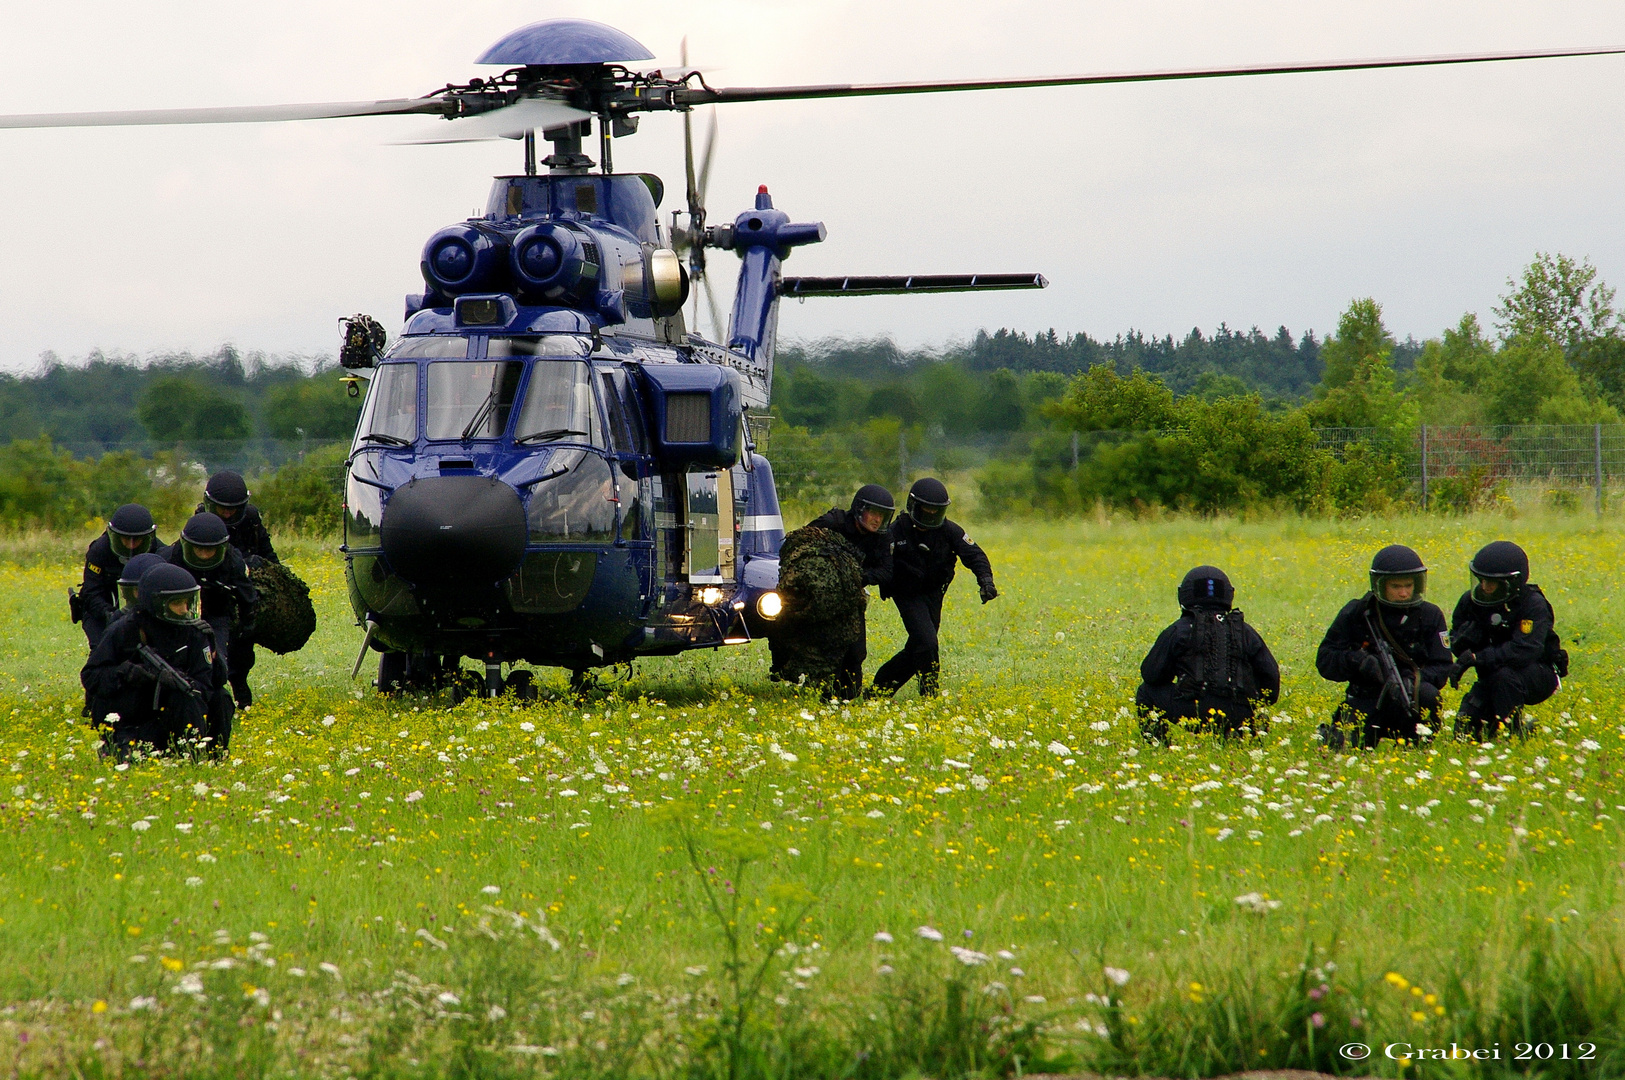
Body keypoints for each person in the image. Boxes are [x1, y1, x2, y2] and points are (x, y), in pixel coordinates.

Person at [1315, 544, 1453, 749]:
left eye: (1408, 585)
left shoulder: (1430, 615)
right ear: (1381, 585)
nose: (1404, 593)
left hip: (1409, 701)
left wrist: (1412, 680)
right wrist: (1357, 661)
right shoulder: (1358, 612)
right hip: (1367, 698)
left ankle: (1418, 743)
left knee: (1428, 695)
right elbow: (1325, 659)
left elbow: (1442, 666)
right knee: (1342, 747)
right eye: (1396, 587)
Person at [870, 478, 996, 698]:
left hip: (934, 592)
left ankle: (880, 688)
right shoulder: (895, 531)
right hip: (906, 594)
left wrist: (986, 581)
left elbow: (974, 555)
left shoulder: (950, 531)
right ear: (912, 507)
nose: (930, 517)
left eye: (935, 513)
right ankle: (930, 693)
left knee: (919, 647)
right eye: (925, 512)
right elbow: (876, 560)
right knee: (927, 642)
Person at [81, 563, 219, 759]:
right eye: (177, 603)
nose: (184, 609)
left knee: (211, 699)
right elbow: (91, 676)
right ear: (158, 603)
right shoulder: (124, 630)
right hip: (132, 718)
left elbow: (207, 685)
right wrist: (126, 673)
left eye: (188, 602)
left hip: (171, 718)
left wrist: (178, 681)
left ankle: (197, 754)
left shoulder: (194, 632)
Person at [1135, 565, 1280, 742]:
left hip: (1192, 710)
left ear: (1185, 594)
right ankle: (1241, 738)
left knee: (1146, 692)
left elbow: (1151, 674)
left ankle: (1159, 745)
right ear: (1228, 594)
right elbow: (1271, 682)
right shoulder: (1244, 631)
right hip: (1239, 714)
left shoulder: (1179, 630)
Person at [1448, 540, 1567, 741]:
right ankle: (1507, 727)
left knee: (1503, 677)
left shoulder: (1532, 605)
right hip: (1492, 674)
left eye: (1491, 582)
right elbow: (1455, 637)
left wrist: (1478, 657)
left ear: (1511, 583)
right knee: (1465, 731)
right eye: (1481, 580)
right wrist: (1463, 643)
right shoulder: (1471, 601)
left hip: (1535, 673)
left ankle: (1514, 732)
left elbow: (1525, 650)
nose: (1484, 587)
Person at [800, 484, 896, 699]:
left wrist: (857, 577)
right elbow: (800, 547)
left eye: (882, 516)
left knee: (856, 653)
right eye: (874, 513)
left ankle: (844, 695)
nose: (877, 520)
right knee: (828, 649)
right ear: (860, 509)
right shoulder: (832, 523)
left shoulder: (882, 537)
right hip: (821, 597)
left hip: (852, 597)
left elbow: (886, 571)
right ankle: (823, 690)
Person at [162, 512, 258, 708]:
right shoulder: (170, 557)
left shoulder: (233, 560)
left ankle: (217, 699)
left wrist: (247, 624)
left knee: (216, 660)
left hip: (218, 613)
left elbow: (247, 595)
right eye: (199, 549)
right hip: (179, 617)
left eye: (210, 551)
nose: (205, 555)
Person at [199, 470, 277, 704]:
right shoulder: (201, 523)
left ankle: (240, 685)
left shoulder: (251, 519)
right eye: (222, 507)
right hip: (211, 593)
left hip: (243, 591)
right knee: (211, 648)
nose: (227, 513)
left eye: (233, 508)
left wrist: (268, 569)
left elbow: (268, 553)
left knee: (243, 649)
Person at [71, 503, 161, 649]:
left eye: (137, 539)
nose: (131, 545)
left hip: (145, 608)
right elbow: (92, 591)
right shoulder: (99, 551)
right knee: (103, 648)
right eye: (125, 539)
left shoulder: (159, 550)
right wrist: (110, 614)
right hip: (102, 607)